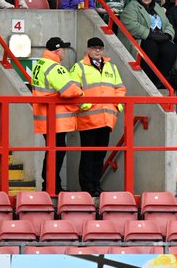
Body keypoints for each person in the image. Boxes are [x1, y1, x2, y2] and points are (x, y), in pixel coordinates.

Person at [68, 37, 123, 197]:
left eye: (100, 47)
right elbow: (73, 89)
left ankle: (96, 186)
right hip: (88, 119)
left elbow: (120, 88)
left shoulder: (111, 67)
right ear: (88, 49)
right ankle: (87, 187)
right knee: (88, 155)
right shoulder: (79, 67)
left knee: (100, 155)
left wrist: (117, 105)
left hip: (106, 118)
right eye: (94, 47)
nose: (97, 50)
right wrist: (83, 104)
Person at [29, 37, 83, 193]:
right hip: (56, 118)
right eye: (63, 50)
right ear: (58, 51)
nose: (65, 52)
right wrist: (81, 91)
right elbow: (69, 90)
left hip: (44, 116)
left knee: (53, 151)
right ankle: (52, 186)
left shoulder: (40, 64)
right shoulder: (54, 67)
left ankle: (51, 185)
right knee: (57, 152)